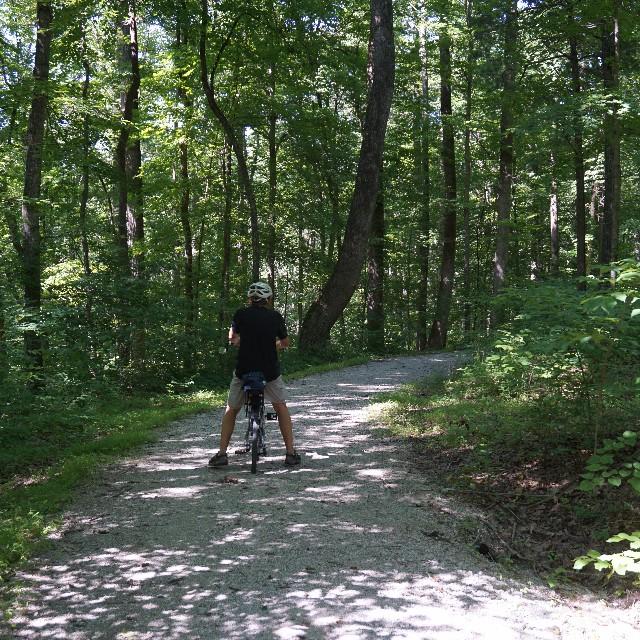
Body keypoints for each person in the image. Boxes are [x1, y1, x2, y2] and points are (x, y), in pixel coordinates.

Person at [208, 281, 301, 468]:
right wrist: (270, 345)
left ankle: (221, 454)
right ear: (268, 299)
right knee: (280, 406)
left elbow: (232, 338)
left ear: (250, 299)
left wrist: (244, 343)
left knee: (231, 409)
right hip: (270, 372)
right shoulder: (275, 317)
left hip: (244, 371)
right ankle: (290, 453)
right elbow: (285, 343)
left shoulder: (240, 314)